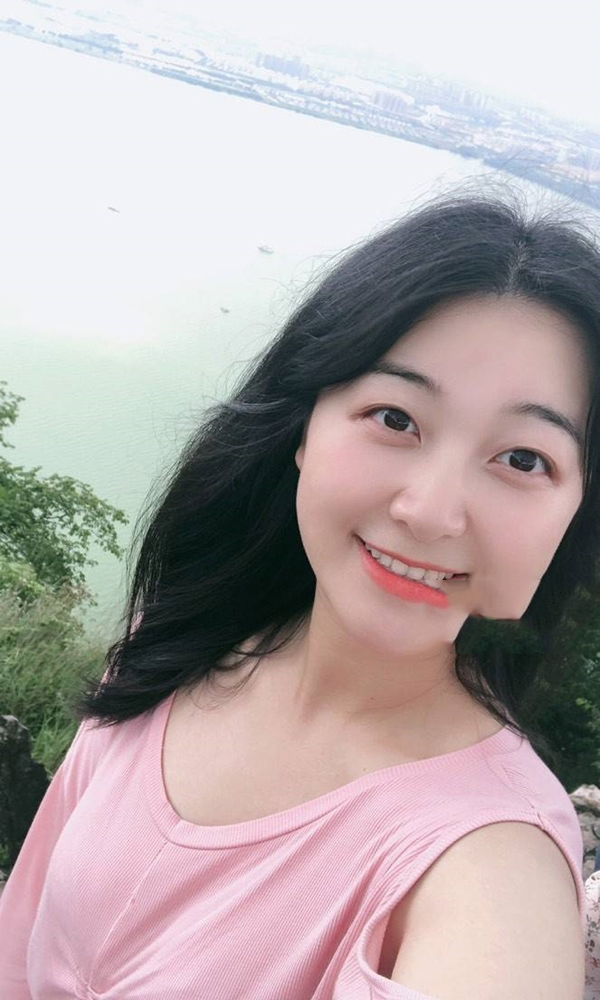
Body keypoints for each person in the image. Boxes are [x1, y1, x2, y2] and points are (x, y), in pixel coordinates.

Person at [1, 187, 599, 1000]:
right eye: (395, 417)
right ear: (305, 428)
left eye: (524, 459)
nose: (430, 511)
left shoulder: (492, 865)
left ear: (574, 516)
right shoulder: (172, 647)